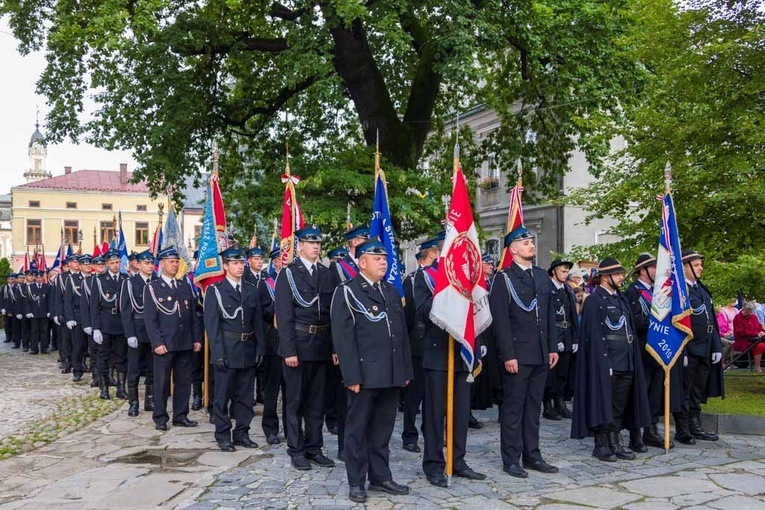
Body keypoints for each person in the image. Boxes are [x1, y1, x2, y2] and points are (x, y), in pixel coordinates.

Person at [331, 237, 413, 503]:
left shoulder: (389, 291)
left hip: (390, 372)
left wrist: (405, 369)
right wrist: (351, 375)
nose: (383, 263)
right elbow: (344, 339)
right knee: (357, 430)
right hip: (364, 375)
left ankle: (381, 476)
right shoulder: (348, 291)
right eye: (377, 259)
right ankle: (357, 481)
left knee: (382, 428)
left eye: (385, 259)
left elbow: (401, 334)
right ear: (362, 262)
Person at [416, 230, 486, 488]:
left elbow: (475, 314)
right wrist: (445, 293)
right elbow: (421, 313)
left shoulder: (467, 276)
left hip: (463, 351)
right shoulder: (426, 277)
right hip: (437, 353)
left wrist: (476, 349)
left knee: (460, 412)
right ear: (439, 251)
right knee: (435, 414)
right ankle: (434, 464)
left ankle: (457, 460)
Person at [489, 226, 559, 478]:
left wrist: (552, 347)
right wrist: (508, 355)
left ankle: (532, 454)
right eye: (526, 242)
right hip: (517, 354)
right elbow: (501, 321)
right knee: (513, 409)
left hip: (540, 353)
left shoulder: (541, 276)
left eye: (531, 241)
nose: (531, 245)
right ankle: (511, 458)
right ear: (513, 249)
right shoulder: (503, 278)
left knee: (533, 408)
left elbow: (549, 314)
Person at [571, 257, 651, 462]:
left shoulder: (621, 298)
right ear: (605, 277)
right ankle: (602, 444)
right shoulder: (595, 300)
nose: (621, 278)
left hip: (626, 358)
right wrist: (602, 362)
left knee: (619, 403)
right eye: (617, 274)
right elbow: (594, 335)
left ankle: (615, 440)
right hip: (608, 360)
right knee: (603, 402)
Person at [275, 226, 336, 470]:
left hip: (320, 345)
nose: (316, 247)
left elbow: (332, 313)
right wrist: (289, 350)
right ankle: (296, 449)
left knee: (317, 402)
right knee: (295, 402)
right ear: (299, 245)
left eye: (318, 243)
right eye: (311, 243)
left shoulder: (325, 272)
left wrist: (333, 347)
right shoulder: (288, 274)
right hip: (298, 346)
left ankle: (314, 447)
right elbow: (285, 315)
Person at [205, 247, 265, 451]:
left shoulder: (250, 290)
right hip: (227, 348)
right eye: (235, 263)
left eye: (241, 263)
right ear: (225, 266)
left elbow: (257, 322)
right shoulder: (215, 291)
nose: (240, 267)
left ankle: (242, 433)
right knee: (222, 396)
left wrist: (260, 348)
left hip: (247, 348)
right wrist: (217, 353)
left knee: (246, 396)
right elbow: (212, 326)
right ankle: (223, 434)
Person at [623, 253, 679, 450]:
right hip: (641, 349)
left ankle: (651, 430)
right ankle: (635, 433)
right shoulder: (633, 292)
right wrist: (657, 322)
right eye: (654, 268)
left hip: (659, 350)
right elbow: (634, 321)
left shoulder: (660, 292)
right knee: (640, 393)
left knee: (655, 393)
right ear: (643, 271)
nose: (658, 272)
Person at [144, 246, 202, 431]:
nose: (175, 265)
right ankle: (160, 417)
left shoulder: (184, 286)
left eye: (177, 261)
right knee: (161, 383)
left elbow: (192, 316)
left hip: (184, 342)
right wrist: (157, 343)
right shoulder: (153, 288)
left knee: (183, 382)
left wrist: (196, 338)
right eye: (171, 261)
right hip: (165, 343)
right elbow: (151, 320)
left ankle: (180, 415)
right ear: (161, 264)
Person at [326, 223, 370, 460]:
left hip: (370, 341)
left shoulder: (372, 266)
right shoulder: (339, 269)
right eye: (363, 239)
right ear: (353, 242)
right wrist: (335, 346)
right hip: (348, 340)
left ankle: (366, 443)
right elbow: (335, 311)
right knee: (347, 397)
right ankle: (345, 445)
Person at [674, 250, 724, 444]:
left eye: (700, 264)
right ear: (685, 267)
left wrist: (717, 346)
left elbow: (711, 320)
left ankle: (695, 423)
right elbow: (678, 323)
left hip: (705, 347)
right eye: (696, 265)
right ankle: (683, 428)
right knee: (685, 389)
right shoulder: (680, 292)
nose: (700, 268)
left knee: (698, 389)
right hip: (690, 347)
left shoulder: (701, 290)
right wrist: (683, 350)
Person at [120, 250, 157, 416]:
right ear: (139, 264)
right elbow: (125, 310)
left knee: (152, 368)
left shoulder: (156, 281)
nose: (150, 266)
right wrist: (130, 334)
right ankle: (133, 402)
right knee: (134, 368)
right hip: (137, 327)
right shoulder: (130, 282)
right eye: (146, 263)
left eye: (151, 263)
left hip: (154, 331)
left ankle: (150, 399)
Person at [90, 250, 129, 400]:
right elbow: (94, 306)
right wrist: (96, 328)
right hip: (105, 321)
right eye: (112, 263)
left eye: (117, 262)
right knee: (103, 357)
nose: (115, 266)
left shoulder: (125, 278)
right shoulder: (99, 280)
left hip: (120, 322)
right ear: (107, 264)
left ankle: (121, 388)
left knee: (121, 357)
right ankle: (104, 388)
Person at [542, 259, 579, 421]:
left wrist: (575, 338)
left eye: (566, 272)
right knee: (551, 373)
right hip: (554, 333)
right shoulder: (547, 289)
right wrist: (553, 339)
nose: (565, 274)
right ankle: (548, 405)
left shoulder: (568, 291)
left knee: (563, 372)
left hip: (568, 332)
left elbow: (573, 315)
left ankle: (560, 402)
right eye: (562, 271)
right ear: (553, 272)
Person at [258, 247, 286, 445]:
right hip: (273, 340)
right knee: (271, 389)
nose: (282, 262)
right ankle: (270, 428)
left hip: (293, 340)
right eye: (279, 259)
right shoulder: (265, 284)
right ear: (274, 262)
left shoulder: (294, 280)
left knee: (292, 391)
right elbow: (264, 311)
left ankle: (292, 427)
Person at [63, 255, 90, 381]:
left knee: (93, 347)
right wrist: (69, 317)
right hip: (78, 316)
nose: (87, 266)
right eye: (85, 264)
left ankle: (96, 372)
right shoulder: (73, 279)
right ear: (80, 265)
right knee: (78, 346)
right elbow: (67, 300)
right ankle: (77, 370)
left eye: (89, 263)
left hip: (91, 317)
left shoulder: (94, 279)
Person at [732, 302, 765, 374]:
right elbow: (740, 332)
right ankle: (757, 367)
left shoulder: (753, 317)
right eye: (747, 312)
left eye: (750, 312)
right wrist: (756, 334)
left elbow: (759, 327)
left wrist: (762, 332)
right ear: (743, 309)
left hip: (756, 339)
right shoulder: (737, 318)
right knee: (760, 346)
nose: (749, 314)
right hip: (744, 341)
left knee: (762, 344)